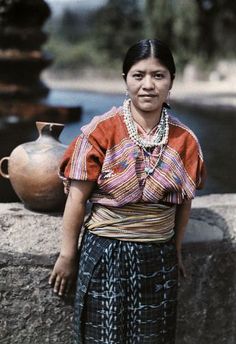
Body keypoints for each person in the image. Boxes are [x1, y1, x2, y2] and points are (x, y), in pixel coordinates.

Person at [49, 39, 206, 344]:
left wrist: (175, 249)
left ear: (171, 81)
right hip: (104, 251)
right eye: (138, 75)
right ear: (125, 80)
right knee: (101, 335)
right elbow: (77, 199)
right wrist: (68, 255)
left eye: (158, 75)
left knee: (154, 336)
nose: (148, 85)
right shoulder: (99, 131)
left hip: (158, 256)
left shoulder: (185, 140)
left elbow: (184, 202)